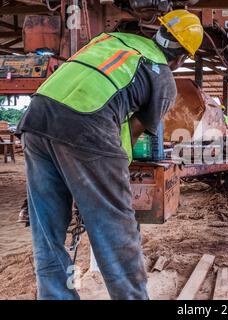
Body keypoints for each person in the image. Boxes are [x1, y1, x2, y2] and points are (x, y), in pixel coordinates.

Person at [15, 9, 203, 299]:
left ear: (158, 32)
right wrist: (113, 178)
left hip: (36, 119)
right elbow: (133, 132)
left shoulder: (112, 39)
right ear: (182, 58)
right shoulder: (162, 76)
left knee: (47, 229)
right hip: (87, 125)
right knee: (115, 228)